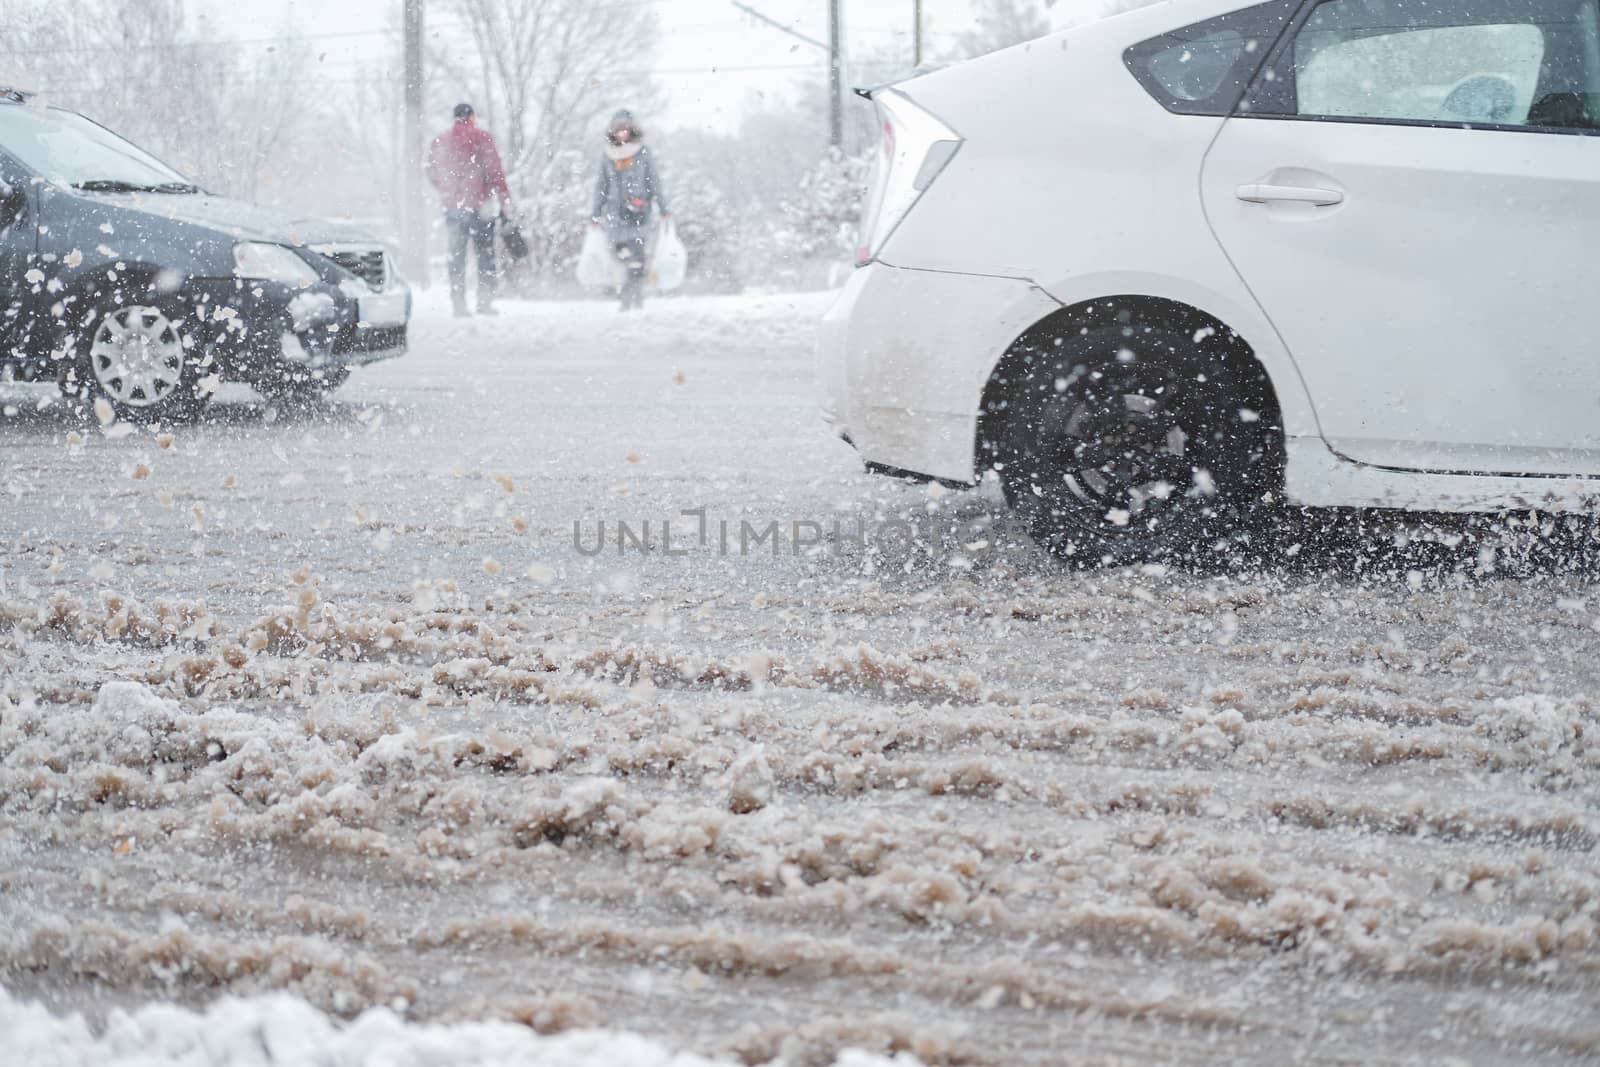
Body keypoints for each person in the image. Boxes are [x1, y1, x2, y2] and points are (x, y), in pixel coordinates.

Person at [425, 102, 513, 317]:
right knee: (485, 255)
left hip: (453, 207)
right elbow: (496, 172)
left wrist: (447, 190)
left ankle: (458, 304)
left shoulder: (440, 141)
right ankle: (484, 302)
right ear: (471, 117)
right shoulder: (482, 138)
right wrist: (503, 198)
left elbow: (431, 171)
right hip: (480, 206)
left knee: (456, 257)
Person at [590, 110, 669, 312]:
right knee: (622, 256)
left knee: (638, 257)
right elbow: (601, 185)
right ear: (613, 131)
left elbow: (653, 180)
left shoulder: (643, 152)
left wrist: (663, 207)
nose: (622, 133)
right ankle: (630, 293)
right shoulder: (607, 155)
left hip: (639, 213)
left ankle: (632, 297)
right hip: (615, 216)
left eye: (625, 129)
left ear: (632, 130)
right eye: (618, 130)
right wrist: (595, 212)